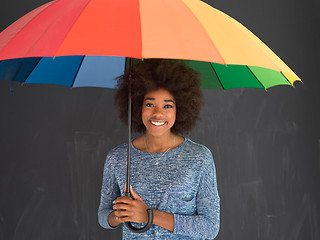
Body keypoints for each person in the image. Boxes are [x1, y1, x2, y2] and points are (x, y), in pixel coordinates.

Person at [98, 59, 220, 239]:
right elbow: (103, 216)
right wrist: (119, 215)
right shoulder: (118, 157)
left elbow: (210, 228)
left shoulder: (199, 157)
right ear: (137, 105)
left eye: (167, 106)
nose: (157, 113)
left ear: (181, 109)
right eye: (149, 104)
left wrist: (149, 216)